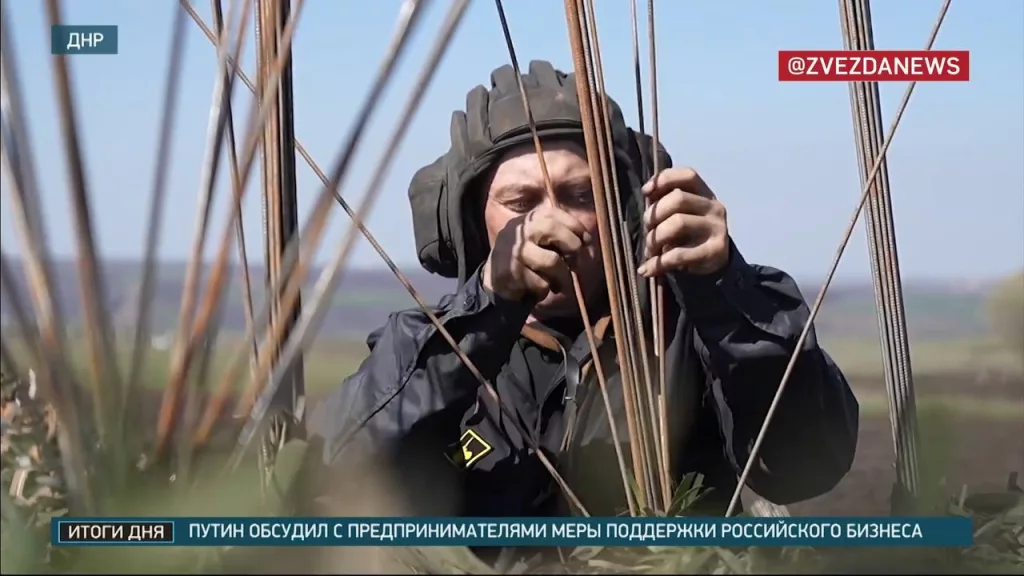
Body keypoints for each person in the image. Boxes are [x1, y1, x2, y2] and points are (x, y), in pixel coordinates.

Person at [306, 61, 858, 526]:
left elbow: (806, 463)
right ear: (475, 227)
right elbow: (337, 467)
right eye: (521, 203)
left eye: (579, 195)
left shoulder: (692, 332)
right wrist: (485, 312)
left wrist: (725, 289)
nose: (554, 223)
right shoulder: (431, 353)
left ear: (626, 211)